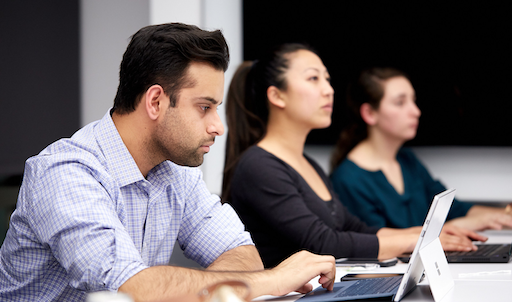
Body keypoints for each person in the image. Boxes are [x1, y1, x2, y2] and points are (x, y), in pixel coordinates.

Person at [0, 23, 336, 302]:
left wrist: (198, 290)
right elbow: (132, 289)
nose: (218, 126)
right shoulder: (64, 172)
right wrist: (275, 279)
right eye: (205, 107)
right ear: (156, 101)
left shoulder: (175, 171)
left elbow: (241, 252)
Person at [222, 44, 485, 269]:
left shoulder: (309, 165)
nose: (328, 90)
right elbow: (324, 242)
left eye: (327, 79)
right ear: (277, 95)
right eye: (314, 79)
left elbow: (355, 227)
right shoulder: (259, 166)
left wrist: (426, 233)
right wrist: (416, 240)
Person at [330, 67, 512, 231]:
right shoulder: (348, 180)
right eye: (400, 103)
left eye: (413, 101)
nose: (416, 111)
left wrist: (504, 214)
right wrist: (460, 226)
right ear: (369, 113)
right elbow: (381, 244)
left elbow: (453, 209)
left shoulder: (407, 161)